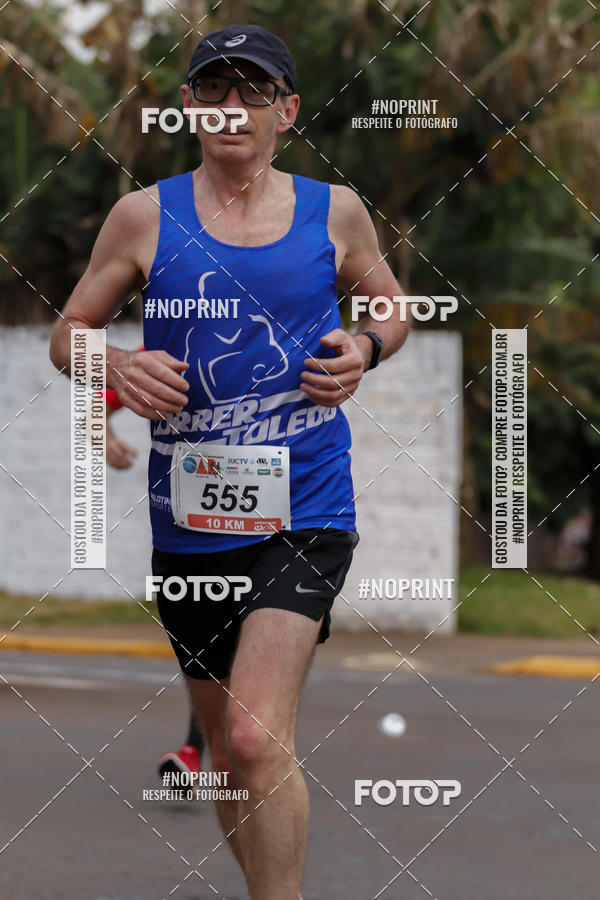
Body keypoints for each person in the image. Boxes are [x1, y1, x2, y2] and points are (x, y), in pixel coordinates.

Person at [50, 23, 409, 899]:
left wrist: (364, 347)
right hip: (190, 523)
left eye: (252, 91)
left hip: (308, 507)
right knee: (221, 747)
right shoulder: (144, 215)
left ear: (286, 110)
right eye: (213, 89)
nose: (231, 107)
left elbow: (395, 307)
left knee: (250, 736)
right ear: (188, 107)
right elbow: (69, 335)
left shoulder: (337, 211)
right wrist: (118, 365)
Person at [105, 369, 206, 779]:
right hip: (192, 535)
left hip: (281, 532)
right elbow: (97, 400)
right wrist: (103, 436)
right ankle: (202, 749)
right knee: (210, 653)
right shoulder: (170, 351)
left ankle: (201, 750)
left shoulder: (292, 330)